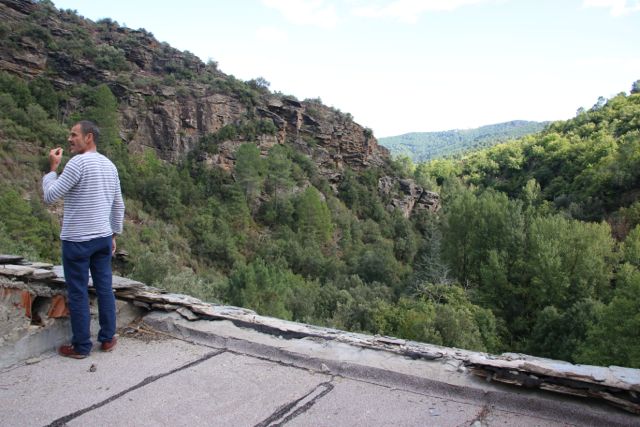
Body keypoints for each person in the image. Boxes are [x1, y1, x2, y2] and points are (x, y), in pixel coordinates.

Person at [42, 120, 125, 359]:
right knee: (104, 288)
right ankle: (108, 338)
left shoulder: (77, 163)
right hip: (102, 238)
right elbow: (118, 205)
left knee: (78, 292)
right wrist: (113, 234)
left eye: (74, 135)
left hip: (77, 240)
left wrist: (52, 169)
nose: (69, 139)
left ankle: (81, 346)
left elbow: (50, 196)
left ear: (89, 137)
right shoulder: (109, 165)